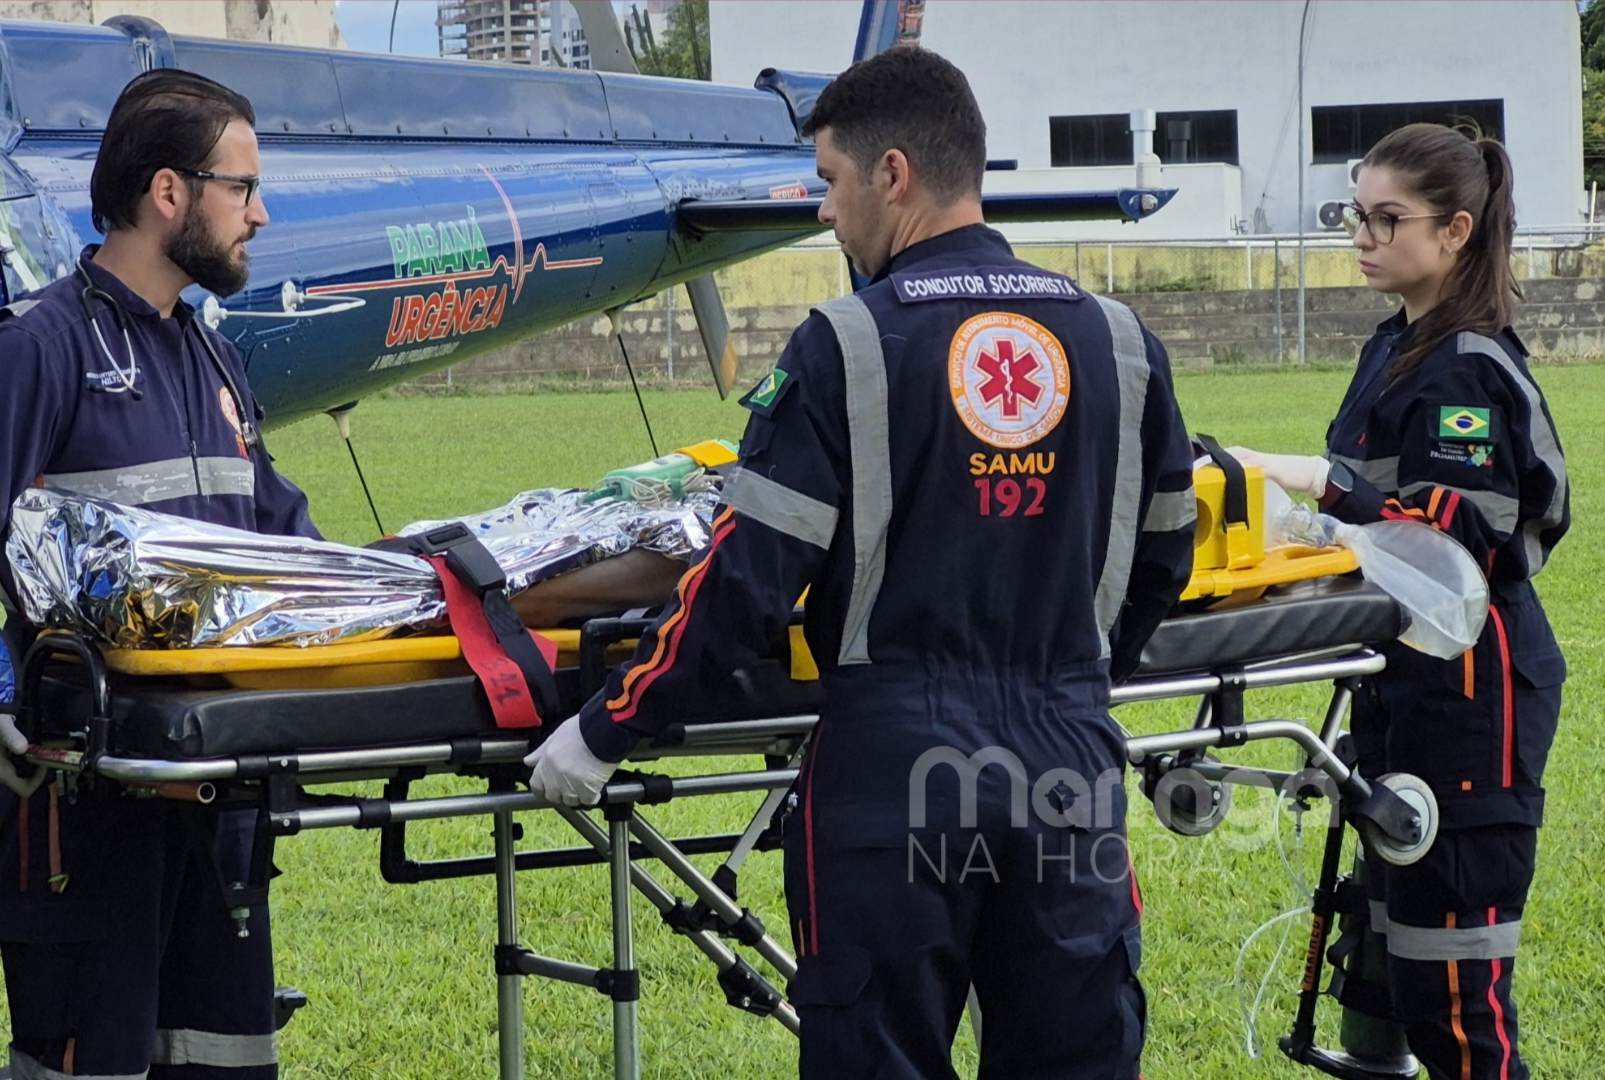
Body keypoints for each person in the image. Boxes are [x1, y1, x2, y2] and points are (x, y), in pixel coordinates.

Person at [528, 47, 1196, 1079]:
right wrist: (1075, 677)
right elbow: (1165, 555)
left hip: (896, 771)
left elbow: (748, 581)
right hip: (1066, 761)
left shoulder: (847, 341)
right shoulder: (1118, 339)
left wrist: (610, 724)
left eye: (832, 185)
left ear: (893, 176)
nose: (826, 215)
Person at [1228, 124, 1568, 1080]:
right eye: (1354, 215)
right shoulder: (1401, 345)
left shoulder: (1460, 362)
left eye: (1387, 219)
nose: (1361, 237)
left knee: (1453, 1001)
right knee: (1384, 973)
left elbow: (1461, 537)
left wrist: (1318, 488)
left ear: (1455, 231)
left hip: (1470, 698)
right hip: (1407, 684)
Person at [0, 69, 318, 1079]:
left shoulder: (213, 362)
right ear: (168, 194)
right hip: (87, 815)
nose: (259, 214)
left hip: (218, 801)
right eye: (241, 187)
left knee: (227, 1058)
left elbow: (284, 544)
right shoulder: (42, 349)